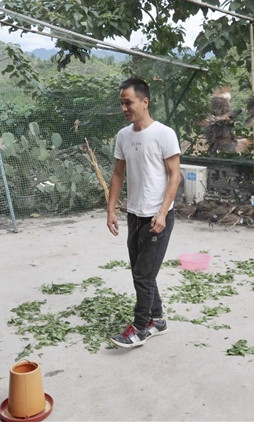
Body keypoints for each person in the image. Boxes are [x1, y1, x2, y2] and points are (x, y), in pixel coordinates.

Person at [106, 77, 181, 348]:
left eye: (129, 102)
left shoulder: (164, 134)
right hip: (134, 214)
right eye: (121, 103)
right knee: (142, 271)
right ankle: (157, 319)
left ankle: (140, 327)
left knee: (143, 275)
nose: (124, 108)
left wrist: (162, 213)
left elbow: (175, 176)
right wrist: (111, 209)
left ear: (145, 102)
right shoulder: (124, 136)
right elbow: (117, 174)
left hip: (157, 216)